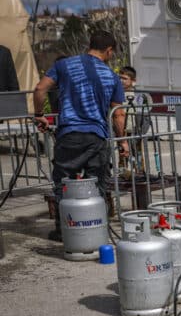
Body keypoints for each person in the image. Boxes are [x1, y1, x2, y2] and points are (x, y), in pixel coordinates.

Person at [32, 32, 127, 241]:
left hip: (70, 135)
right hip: (97, 136)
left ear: (90, 45)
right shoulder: (112, 76)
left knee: (63, 183)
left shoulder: (64, 65)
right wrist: (123, 142)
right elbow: (119, 114)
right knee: (98, 183)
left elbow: (40, 89)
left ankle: (63, 230)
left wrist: (39, 115)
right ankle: (98, 228)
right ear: (109, 51)